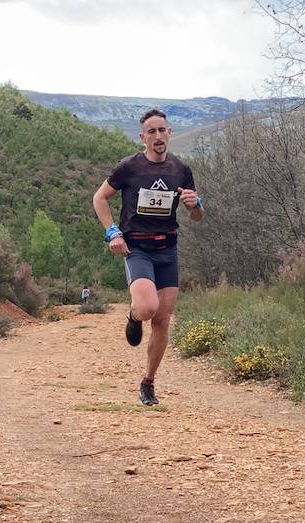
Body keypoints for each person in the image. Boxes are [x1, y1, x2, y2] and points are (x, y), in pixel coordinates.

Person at [91, 108, 204, 406]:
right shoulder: (129, 167)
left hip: (167, 248)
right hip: (137, 248)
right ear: (143, 137)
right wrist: (112, 232)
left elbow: (196, 216)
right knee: (147, 308)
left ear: (169, 133)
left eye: (162, 130)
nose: (158, 136)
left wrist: (195, 204)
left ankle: (148, 382)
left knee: (163, 322)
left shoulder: (181, 170)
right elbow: (99, 198)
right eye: (151, 132)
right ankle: (133, 314)